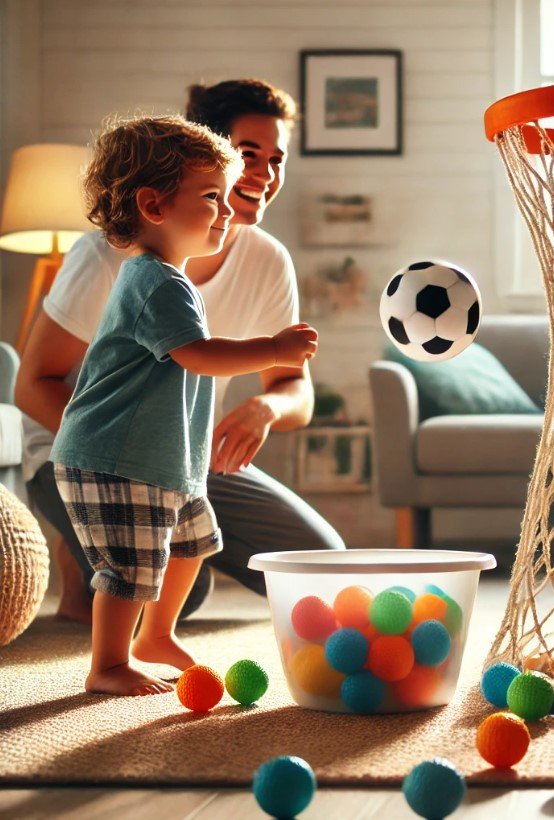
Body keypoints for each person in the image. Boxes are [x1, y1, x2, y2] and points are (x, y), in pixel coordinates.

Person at [15, 80, 345, 625]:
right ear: (204, 151)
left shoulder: (266, 259)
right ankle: (81, 564)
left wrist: (266, 407)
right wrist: (122, 457)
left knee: (322, 566)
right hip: (85, 452)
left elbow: (294, 388)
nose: (265, 174)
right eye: (249, 155)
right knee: (166, 594)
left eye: (277, 159)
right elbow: (32, 384)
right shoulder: (111, 256)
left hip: (184, 453)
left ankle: (144, 553)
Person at [52, 115, 319, 696]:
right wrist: (272, 349)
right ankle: (108, 664)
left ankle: (155, 636)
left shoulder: (174, 280)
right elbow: (198, 354)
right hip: (114, 457)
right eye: (211, 198)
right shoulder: (154, 281)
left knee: (195, 542)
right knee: (128, 568)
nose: (227, 212)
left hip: (163, 461)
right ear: (153, 205)